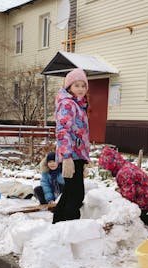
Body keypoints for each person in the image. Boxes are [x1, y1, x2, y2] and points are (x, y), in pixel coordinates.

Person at [53, 68, 91, 223]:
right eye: (77, 85)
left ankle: (58, 225)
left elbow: (80, 133)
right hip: (71, 155)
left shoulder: (78, 105)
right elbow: (63, 131)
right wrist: (67, 157)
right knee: (76, 195)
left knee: (70, 192)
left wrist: (85, 158)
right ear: (69, 87)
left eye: (83, 85)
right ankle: (71, 227)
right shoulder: (68, 104)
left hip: (77, 155)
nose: (81, 89)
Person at [98, 147, 148, 228]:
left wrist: (115, 203)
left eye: (106, 166)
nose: (106, 169)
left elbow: (128, 197)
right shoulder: (124, 165)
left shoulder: (123, 173)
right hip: (147, 198)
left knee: (123, 215)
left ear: (110, 164)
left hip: (143, 203)